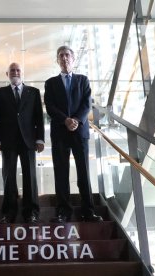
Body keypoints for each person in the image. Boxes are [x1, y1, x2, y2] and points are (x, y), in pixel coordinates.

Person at [44, 45, 102, 223]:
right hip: (60, 133)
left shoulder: (83, 80)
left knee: (83, 172)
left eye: (67, 55)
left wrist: (76, 120)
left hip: (80, 132)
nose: (64, 58)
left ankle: (88, 211)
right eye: (60, 55)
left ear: (73, 59)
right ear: (57, 60)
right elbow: (50, 106)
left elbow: (87, 103)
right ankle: (63, 212)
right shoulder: (50, 83)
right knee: (61, 172)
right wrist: (66, 120)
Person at [0, 62, 44, 223]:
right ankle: (9, 212)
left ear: (22, 73)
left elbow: (38, 118)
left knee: (30, 177)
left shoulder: (34, 92)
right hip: (7, 141)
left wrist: (40, 139)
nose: (15, 72)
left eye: (18, 70)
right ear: (7, 74)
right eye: (12, 70)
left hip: (29, 141)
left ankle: (31, 212)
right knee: (8, 177)